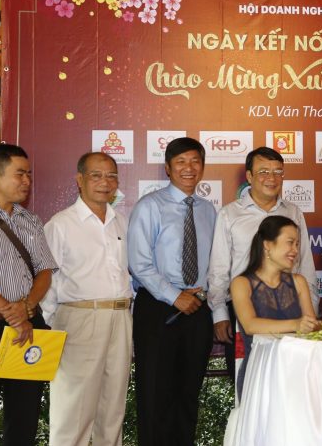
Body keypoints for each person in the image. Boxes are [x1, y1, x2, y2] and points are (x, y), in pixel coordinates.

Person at [127, 137, 217, 446]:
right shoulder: (150, 206)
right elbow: (139, 263)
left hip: (197, 308)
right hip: (158, 308)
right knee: (155, 394)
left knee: (188, 394)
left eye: (195, 161)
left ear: (202, 167)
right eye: (180, 162)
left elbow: (214, 263)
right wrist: (174, 295)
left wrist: (200, 295)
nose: (188, 168)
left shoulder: (208, 211)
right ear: (168, 168)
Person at [42, 152, 133, 445]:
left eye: (111, 176)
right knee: (74, 410)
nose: (105, 182)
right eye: (96, 175)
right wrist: (44, 329)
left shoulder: (121, 222)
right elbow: (47, 280)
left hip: (121, 317)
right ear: (79, 180)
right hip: (79, 318)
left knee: (113, 409)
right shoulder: (61, 224)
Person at [208, 147, 317, 385]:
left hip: (290, 304)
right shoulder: (229, 214)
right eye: (264, 172)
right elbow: (218, 270)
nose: (272, 178)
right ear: (249, 176)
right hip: (244, 307)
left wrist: (310, 316)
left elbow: (305, 264)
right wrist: (220, 314)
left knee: (292, 382)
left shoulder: (293, 212)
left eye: (278, 172)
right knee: (249, 380)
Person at [0, 144, 57, 445]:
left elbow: (45, 271)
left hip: (29, 326)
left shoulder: (30, 220)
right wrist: (12, 312)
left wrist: (26, 307)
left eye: (29, 174)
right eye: (19, 174)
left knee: (24, 418)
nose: (27, 181)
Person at [230, 215, 319, 399]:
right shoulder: (241, 283)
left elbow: (311, 329)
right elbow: (250, 325)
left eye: (297, 244)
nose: (295, 250)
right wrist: (296, 324)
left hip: (298, 374)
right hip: (259, 375)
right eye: (290, 243)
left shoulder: (299, 282)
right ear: (267, 245)